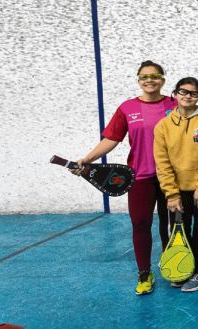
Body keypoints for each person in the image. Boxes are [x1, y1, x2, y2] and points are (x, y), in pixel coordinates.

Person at [73, 60, 175, 295]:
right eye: (144, 77)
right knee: (140, 224)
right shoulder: (127, 108)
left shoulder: (175, 104)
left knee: (171, 225)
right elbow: (112, 138)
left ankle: (172, 266)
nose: (149, 80)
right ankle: (144, 273)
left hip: (171, 176)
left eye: (154, 76)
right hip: (140, 177)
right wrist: (88, 158)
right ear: (139, 81)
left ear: (163, 80)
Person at [153, 77, 198, 292]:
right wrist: (171, 193)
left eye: (193, 93)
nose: (187, 96)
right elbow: (162, 162)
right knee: (179, 229)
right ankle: (186, 268)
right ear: (175, 94)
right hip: (177, 188)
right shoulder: (163, 125)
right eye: (183, 91)